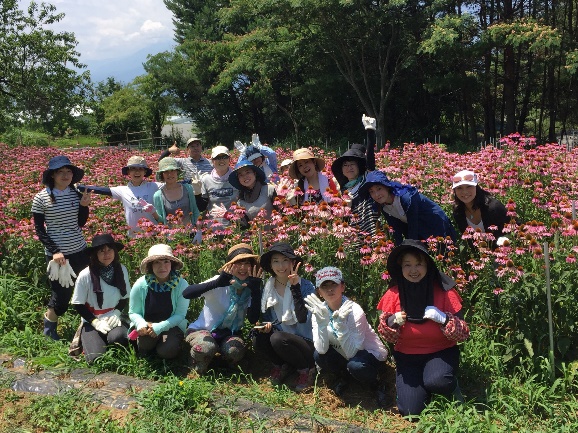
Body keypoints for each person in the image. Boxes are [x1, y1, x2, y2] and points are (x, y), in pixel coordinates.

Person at [377, 239, 470, 417]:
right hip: (407, 356)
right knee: (410, 411)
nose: (413, 270)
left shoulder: (444, 292)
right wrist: (391, 322)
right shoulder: (393, 294)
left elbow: (464, 333)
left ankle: (447, 385)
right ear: (400, 267)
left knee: (438, 381)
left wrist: (443, 319)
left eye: (419, 264)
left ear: (427, 265)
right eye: (408, 265)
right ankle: (419, 390)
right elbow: (385, 334)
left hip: (440, 352)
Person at [304, 266, 388, 406]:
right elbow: (321, 350)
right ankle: (345, 377)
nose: (330, 289)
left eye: (334, 284)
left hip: (367, 354)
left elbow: (353, 351)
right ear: (319, 292)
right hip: (344, 353)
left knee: (356, 366)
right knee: (319, 357)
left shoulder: (354, 311)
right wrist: (322, 325)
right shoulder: (319, 311)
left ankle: (377, 383)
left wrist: (340, 326)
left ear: (342, 287)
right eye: (325, 286)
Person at [32, 155, 92, 340]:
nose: (65, 175)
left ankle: (89, 327)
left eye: (68, 172)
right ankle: (49, 332)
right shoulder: (41, 198)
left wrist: (84, 206)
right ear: (52, 175)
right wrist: (55, 251)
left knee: (87, 287)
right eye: (61, 172)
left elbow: (80, 223)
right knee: (61, 294)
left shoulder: (76, 193)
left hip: (79, 249)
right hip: (58, 254)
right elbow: (39, 229)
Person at [183, 243, 263, 374]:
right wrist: (217, 283)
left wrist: (255, 291)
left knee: (234, 351)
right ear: (230, 265)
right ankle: (195, 362)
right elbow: (187, 293)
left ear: (252, 266)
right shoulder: (220, 281)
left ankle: (224, 362)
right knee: (206, 347)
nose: (243, 268)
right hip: (202, 330)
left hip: (230, 333)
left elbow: (253, 318)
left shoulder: (250, 287)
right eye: (238, 263)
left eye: (247, 263)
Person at [254, 243, 316, 391]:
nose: (281, 266)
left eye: (285, 260)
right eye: (276, 261)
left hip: (307, 342)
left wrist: (295, 288)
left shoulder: (306, 286)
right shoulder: (268, 287)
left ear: (293, 263)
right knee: (258, 337)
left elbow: (302, 318)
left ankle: (306, 370)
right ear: (270, 264)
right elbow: (265, 317)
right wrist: (266, 326)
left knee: (278, 339)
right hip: (283, 339)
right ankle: (282, 366)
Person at [71, 234, 130, 363]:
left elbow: (124, 297)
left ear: (115, 252)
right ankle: (93, 341)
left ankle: (111, 342)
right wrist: (94, 322)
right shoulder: (85, 275)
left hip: (112, 317)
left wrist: (116, 312)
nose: (106, 254)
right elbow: (78, 304)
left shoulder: (122, 270)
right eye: (101, 251)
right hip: (92, 320)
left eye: (109, 250)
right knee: (95, 358)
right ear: (95, 255)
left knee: (119, 337)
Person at [359, 170, 456, 245]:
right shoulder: (383, 205)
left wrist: (410, 248)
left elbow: (413, 226)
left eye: (379, 189)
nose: (376, 194)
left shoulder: (406, 198)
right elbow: (396, 229)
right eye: (371, 191)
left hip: (436, 224)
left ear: (387, 187)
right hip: (419, 230)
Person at [128, 244, 190, 359]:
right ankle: (148, 348)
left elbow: (180, 315)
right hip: (148, 326)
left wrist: (160, 327)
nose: (162, 267)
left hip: (171, 327)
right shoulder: (140, 285)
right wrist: (141, 323)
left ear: (172, 264)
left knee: (167, 350)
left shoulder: (182, 285)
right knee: (145, 344)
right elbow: (133, 312)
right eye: (157, 262)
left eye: (166, 261)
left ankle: (164, 345)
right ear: (151, 265)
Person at [78, 156, 161, 237]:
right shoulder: (123, 190)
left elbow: (171, 182)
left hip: (154, 234)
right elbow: (102, 190)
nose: (137, 172)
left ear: (145, 172)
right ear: (128, 172)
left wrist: (168, 152)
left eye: (140, 169)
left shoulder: (154, 186)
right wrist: (78, 187)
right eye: (133, 169)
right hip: (135, 236)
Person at [330, 115, 379, 237]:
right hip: (353, 233)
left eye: (353, 164)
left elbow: (370, 162)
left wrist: (370, 132)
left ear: (359, 167)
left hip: (372, 230)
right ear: (341, 170)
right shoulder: (343, 189)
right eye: (345, 165)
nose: (349, 168)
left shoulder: (366, 180)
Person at [451, 170, 510, 246]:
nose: (464, 191)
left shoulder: (494, 208)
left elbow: (514, 228)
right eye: (459, 188)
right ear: (455, 191)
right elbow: (469, 241)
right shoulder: (458, 213)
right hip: (479, 254)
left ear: (476, 187)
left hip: (503, 251)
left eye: (469, 186)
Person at [198, 145, 239, 231]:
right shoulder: (206, 180)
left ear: (229, 159)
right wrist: (196, 193)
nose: (221, 160)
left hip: (235, 226)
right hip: (213, 227)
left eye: (224, 157)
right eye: (217, 158)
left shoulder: (237, 177)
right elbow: (202, 207)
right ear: (212, 161)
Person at [152, 157, 200, 230]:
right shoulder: (158, 195)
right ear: (162, 175)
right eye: (166, 172)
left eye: (172, 171)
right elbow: (161, 220)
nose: (170, 174)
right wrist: (152, 212)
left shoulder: (188, 188)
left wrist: (198, 231)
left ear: (177, 172)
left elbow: (195, 211)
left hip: (190, 232)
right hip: (172, 237)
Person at [228, 160, 276, 230]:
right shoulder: (240, 201)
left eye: (248, 172)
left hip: (276, 236)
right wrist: (228, 216)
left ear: (255, 173)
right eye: (240, 175)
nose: (245, 177)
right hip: (257, 239)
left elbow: (282, 213)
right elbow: (245, 226)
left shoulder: (270, 190)